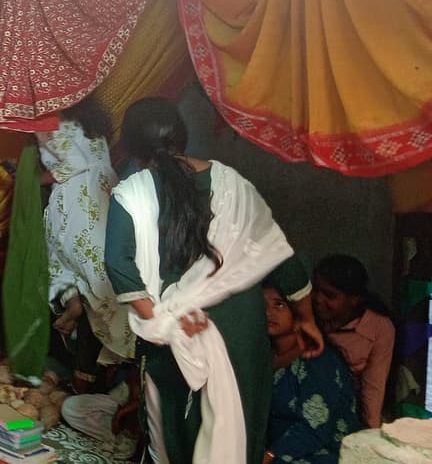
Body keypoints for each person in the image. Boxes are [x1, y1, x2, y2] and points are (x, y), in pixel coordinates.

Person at [104, 97, 323, 464]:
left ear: (131, 149)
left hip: (180, 332)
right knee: (237, 437)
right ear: (182, 136)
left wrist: (162, 322)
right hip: (241, 335)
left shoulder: (132, 193)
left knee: (174, 439)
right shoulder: (231, 184)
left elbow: (118, 263)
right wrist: (306, 318)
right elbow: (280, 257)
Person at [36, 96, 135, 389]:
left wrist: (34, 180)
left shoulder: (49, 120)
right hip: (104, 197)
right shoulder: (91, 119)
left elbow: (73, 164)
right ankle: (101, 372)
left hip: (76, 203)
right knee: (100, 278)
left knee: (76, 272)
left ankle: (76, 309)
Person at [263, 281, 361, 464]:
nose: (268, 312)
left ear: (300, 312)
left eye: (279, 304)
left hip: (320, 453)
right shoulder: (263, 357)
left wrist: (268, 456)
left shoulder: (317, 360)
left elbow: (313, 429)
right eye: (263, 305)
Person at [313, 254, 396, 429]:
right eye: (316, 290)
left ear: (354, 299)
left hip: (347, 410)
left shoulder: (378, 327)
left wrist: (369, 432)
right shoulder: (306, 317)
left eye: (329, 295)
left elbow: (373, 386)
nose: (318, 299)